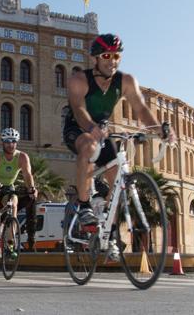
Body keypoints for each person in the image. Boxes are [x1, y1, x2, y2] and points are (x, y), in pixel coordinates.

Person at [63, 33, 176, 260]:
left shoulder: (125, 81)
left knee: (118, 182)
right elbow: (78, 109)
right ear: (95, 58)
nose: (112, 61)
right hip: (78, 129)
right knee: (88, 144)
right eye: (106, 55)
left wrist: (158, 129)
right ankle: (84, 205)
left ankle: (110, 235)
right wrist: (91, 126)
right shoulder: (79, 79)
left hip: (103, 132)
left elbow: (141, 109)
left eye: (116, 56)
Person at [0, 127, 37, 255]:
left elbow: (28, 174)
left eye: (13, 141)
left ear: (17, 142)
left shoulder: (22, 157)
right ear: (2, 142)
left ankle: (10, 244)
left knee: (14, 207)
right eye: (7, 141)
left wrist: (32, 188)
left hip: (9, 186)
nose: (10, 144)